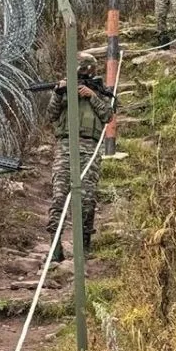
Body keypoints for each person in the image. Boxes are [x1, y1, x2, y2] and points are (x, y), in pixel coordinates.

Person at [45, 52, 115, 262]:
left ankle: (84, 247)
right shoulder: (64, 91)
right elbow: (50, 116)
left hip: (89, 147)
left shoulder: (99, 92)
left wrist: (91, 96)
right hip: (65, 146)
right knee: (59, 198)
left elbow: (107, 115)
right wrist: (58, 93)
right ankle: (54, 250)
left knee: (86, 200)